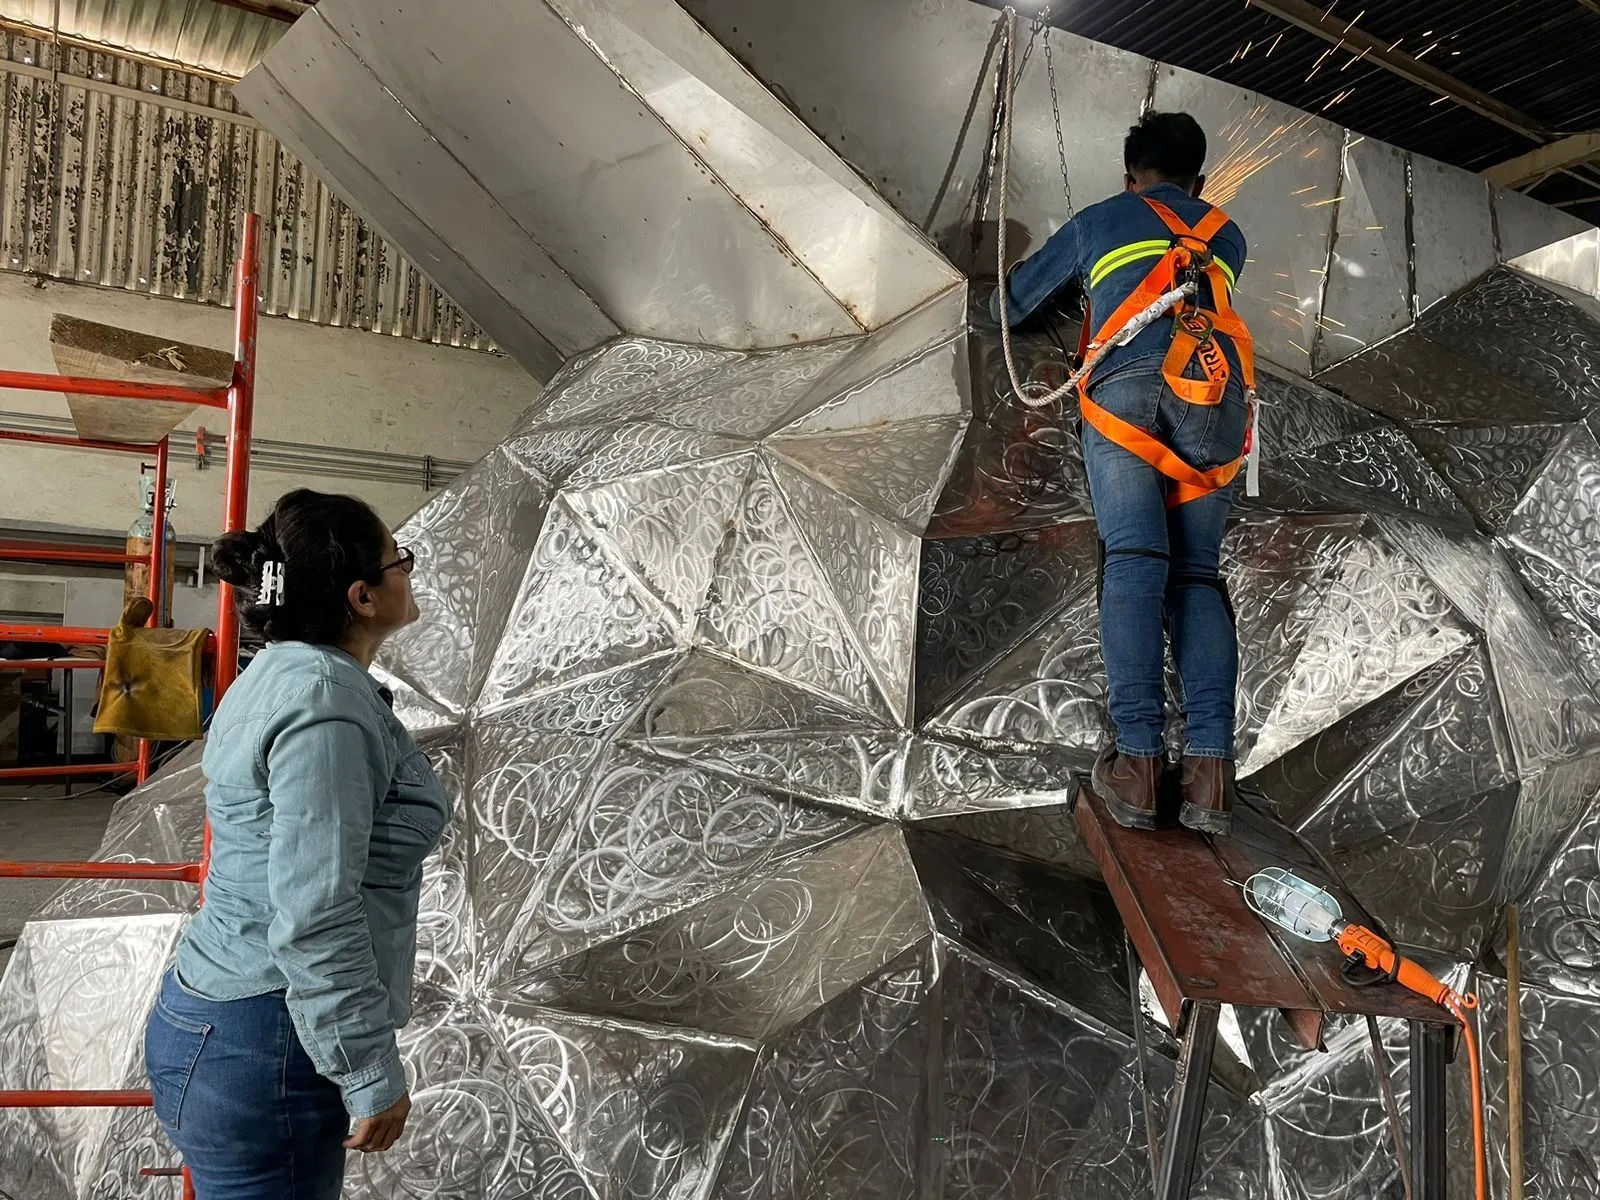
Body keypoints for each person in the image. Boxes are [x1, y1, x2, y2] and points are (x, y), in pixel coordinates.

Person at [143, 489, 451, 1198]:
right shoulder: (324, 700)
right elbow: (313, 913)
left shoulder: (285, 675)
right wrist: (368, 1069)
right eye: (398, 560)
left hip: (233, 1024)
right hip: (270, 1040)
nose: (409, 571)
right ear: (362, 597)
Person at [992, 111, 1253, 835]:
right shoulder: (1227, 232)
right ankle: (1210, 776)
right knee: (1197, 574)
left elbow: (1008, 308)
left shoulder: (1102, 217)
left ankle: (1136, 766)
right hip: (1216, 397)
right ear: (1201, 180)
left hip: (1129, 392)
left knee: (1137, 559)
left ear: (1130, 175)